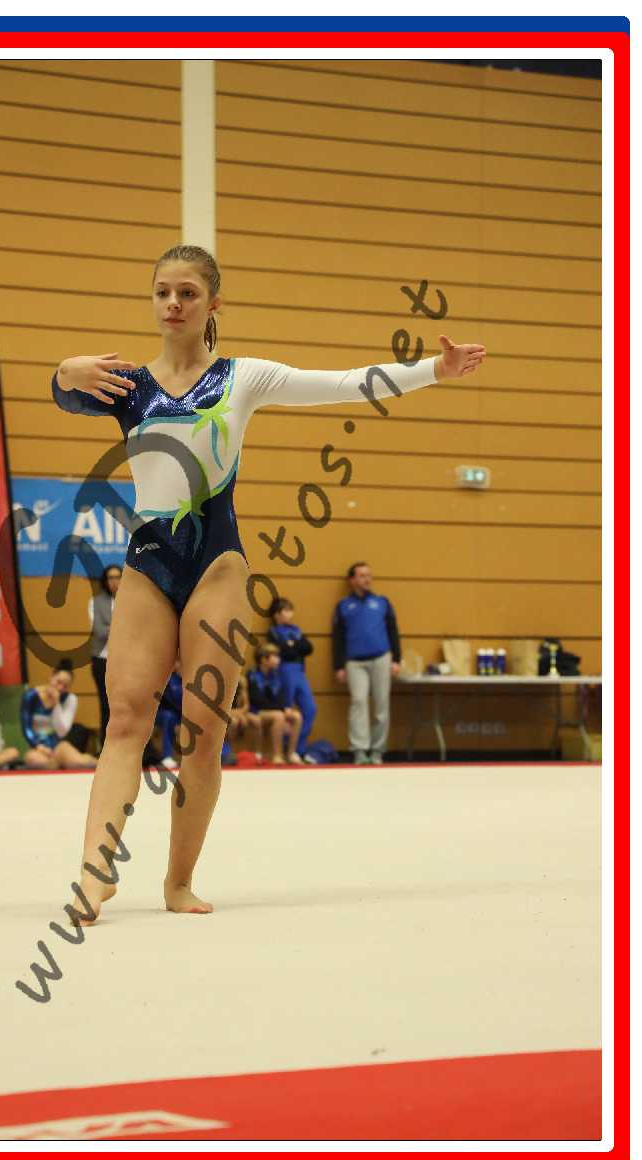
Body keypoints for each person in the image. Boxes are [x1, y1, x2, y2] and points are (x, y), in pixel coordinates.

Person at [52, 243, 485, 920]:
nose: (173, 304)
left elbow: (347, 384)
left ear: (213, 304)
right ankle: (93, 872)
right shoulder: (128, 385)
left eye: (188, 293)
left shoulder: (241, 378)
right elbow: (64, 394)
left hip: (217, 569)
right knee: (127, 719)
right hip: (147, 564)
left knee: (203, 728)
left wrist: (435, 369)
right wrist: (62, 371)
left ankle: (178, 881)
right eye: (163, 291)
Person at [332, 562, 401, 765]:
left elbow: (393, 631)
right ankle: (359, 750)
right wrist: (338, 666)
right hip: (354, 662)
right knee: (358, 702)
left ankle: (378, 750)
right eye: (362, 576)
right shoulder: (343, 606)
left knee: (381, 705)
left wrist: (396, 659)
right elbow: (337, 638)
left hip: (381, 658)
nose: (367, 579)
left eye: (369, 575)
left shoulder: (382, 603)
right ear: (352, 580)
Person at [21, 661, 98, 770]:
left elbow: (62, 732)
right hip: (38, 748)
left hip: (58, 746)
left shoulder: (70, 699)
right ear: (51, 677)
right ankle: (58, 764)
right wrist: (38, 746)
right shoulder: (31, 696)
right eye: (58, 682)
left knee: (79, 762)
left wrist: (56, 704)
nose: (61, 687)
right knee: (35, 761)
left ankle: (102, 763)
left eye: (66, 686)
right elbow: (26, 728)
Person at [268, 596, 316, 758]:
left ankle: (297, 747)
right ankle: (283, 749)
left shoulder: (296, 630)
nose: (290, 614)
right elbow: (285, 652)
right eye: (285, 610)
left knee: (310, 708)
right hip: (285, 671)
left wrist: (293, 644)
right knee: (286, 712)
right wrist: (296, 646)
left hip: (300, 671)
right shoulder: (274, 632)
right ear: (277, 614)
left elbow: (308, 648)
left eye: (290, 610)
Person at [247, 642, 303, 764]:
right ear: (264, 659)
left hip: (274, 710)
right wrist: (280, 710)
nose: (278, 660)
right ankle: (277, 755)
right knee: (279, 716)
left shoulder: (276, 675)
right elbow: (257, 700)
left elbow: (282, 695)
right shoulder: (252, 675)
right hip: (256, 711)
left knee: (297, 716)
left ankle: (291, 753)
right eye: (275, 656)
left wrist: (286, 708)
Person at [88, 563, 121, 750]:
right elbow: (99, 632)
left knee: (127, 706)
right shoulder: (95, 602)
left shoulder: (132, 601)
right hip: (103, 659)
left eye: (118, 577)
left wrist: (112, 627)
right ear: (105, 581)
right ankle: (106, 747)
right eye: (110, 578)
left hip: (127, 661)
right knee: (106, 705)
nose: (114, 581)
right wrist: (123, 627)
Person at [153, 655, 184, 769]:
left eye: (180, 662)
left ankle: (220, 754)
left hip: (182, 713)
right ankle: (167, 756)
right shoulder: (167, 679)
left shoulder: (188, 678)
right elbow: (171, 701)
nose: (179, 665)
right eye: (177, 662)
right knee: (169, 716)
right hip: (163, 713)